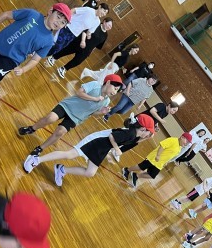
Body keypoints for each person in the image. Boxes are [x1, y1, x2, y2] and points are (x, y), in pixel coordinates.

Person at [0, 3, 71, 112]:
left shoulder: (49, 41)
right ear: (50, 11)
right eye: (58, 17)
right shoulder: (32, 14)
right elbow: (6, 15)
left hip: (12, 59)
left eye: (63, 22)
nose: (59, 22)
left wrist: (23, 69)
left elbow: (36, 59)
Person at [22, 115, 155, 187]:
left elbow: (136, 140)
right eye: (149, 132)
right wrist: (116, 149)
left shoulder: (134, 134)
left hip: (102, 148)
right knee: (69, 155)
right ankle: (36, 159)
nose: (148, 135)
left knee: (90, 172)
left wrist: (147, 137)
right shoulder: (129, 133)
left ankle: (61, 170)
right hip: (96, 141)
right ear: (143, 129)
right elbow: (112, 136)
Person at [19, 74, 122, 161]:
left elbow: (92, 113)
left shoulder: (106, 101)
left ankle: (40, 148)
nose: (115, 92)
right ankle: (32, 128)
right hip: (67, 106)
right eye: (115, 88)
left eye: (117, 91)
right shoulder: (95, 85)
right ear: (108, 82)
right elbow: (79, 92)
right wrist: (94, 98)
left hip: (76, 118)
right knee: (50, 118)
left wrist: (101, 112)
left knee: (60, 132)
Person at [46, 3, 109, 67]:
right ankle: (43, 52)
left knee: (59, 48)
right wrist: (66, 21)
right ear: (100, 7)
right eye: (104, 11)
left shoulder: (97, 22)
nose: (104, 14)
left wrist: (89, 37)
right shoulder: (88, 10)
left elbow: (89, 32)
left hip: (74, 35)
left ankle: (45, 54)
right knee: (57, 45)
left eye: (105, 13)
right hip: (67, 28)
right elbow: (73, 10)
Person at [122, 133, 192, 188]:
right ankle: (127, 170)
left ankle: (136, 176)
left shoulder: (179, 148)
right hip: (154, 158)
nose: (187, 143)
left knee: (152, 175)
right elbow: (162, 146)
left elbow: (170, 155)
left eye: (188, 143)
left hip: (160, 164)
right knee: (141, 167)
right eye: (187, 141)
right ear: (182, 137)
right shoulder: (173, 140)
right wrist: (158, 155)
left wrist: (166, 162)